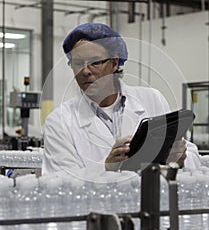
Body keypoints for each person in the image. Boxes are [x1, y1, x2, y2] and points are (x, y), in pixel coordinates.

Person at [42, 23, 200, 181]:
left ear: (114, 63)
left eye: (95, 62)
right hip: (99, 206)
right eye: (77, 64)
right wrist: (106, 169)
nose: (85, 71)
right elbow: (59, 182)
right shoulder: (59, 122)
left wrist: (180, 159)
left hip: (154, 201)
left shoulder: (152, 99)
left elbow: (192, 155)